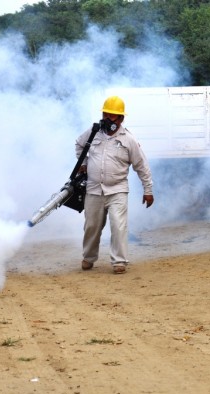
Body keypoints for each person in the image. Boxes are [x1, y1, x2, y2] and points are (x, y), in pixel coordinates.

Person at [75, 95, 154, 274]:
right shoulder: (93, 132)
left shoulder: (128, 139)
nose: (108, 119)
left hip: (117, 189)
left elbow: (141, 165)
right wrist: (84, 164)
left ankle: (119, 262)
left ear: (121, 119)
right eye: (106, 114)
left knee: (118, 225)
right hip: (94, 189)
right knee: (91, 226)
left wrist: (148, 190)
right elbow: (79, 145)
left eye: (113, 116)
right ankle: (88, 258)